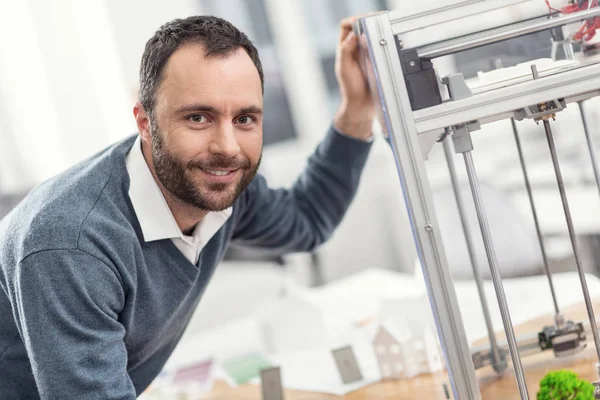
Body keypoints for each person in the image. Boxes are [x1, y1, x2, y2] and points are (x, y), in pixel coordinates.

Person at [0, 14, 374, 398]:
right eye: (198, 117)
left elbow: (307, 219)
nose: (227, 147)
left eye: (245, 118)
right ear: (145, 122)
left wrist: (358, 108)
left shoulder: (222, 186)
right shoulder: (72, 245)